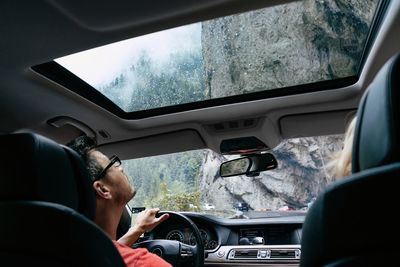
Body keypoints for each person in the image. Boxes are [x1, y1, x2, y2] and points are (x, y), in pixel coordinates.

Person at [67, 136, 171, 267]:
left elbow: (107, 253)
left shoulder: (53, 253)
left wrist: (139, 228)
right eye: (112, 165)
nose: (121, 168)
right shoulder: (145, 263)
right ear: (103, 189)